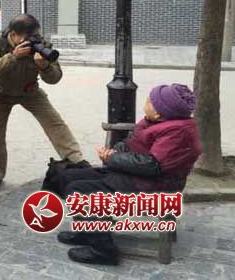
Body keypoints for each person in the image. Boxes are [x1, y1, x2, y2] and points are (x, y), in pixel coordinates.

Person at [56, 84, 202, 265]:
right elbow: (133, 144)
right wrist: (115, 151)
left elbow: (152, 165)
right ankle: (88, 231)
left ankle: (103, 251)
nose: (146, 101)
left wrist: (113, 158)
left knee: (80, 191)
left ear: (159, 113)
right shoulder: (157, 122)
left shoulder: (177, 133)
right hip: (135, 177)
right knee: (69, 177)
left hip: (150, 188)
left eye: (150, 101)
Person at [0, 14, 87, 192]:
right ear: (13, 35)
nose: (32, 41)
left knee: (55, 123)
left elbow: (55, 78)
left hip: (28, 92)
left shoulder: (41, 45)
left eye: (34, 36)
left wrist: (44, 66)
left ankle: (76, 160)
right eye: (27, 38)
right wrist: (13, 56)